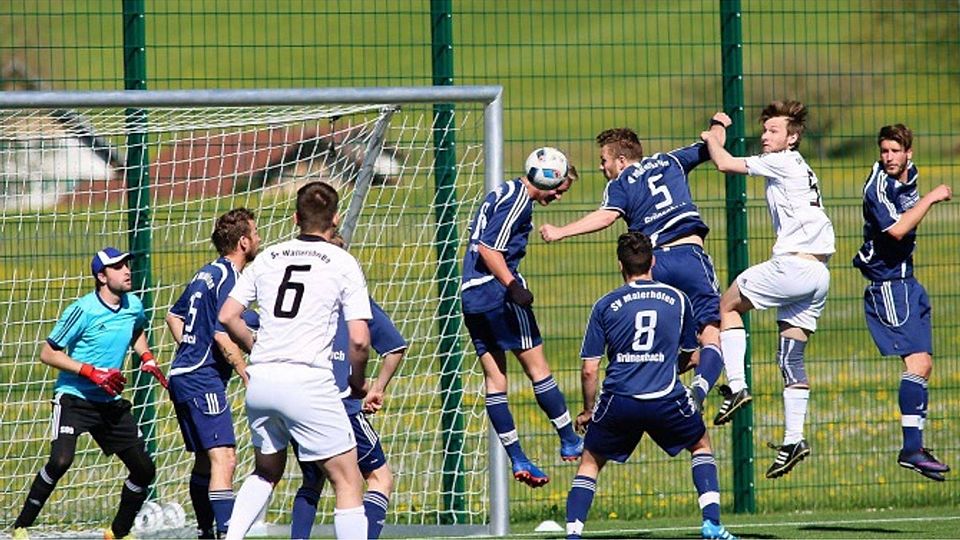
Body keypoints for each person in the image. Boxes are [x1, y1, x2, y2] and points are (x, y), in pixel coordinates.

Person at [539, 119, 730, 414]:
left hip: (654, 264)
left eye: (604, 161)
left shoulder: (621, 183)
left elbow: (605, 217)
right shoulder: (671, 160)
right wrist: (718, 124)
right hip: (690, 256)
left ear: (622, 160)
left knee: (663, 337)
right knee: (711, 333)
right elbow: (713, 143)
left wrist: (561, 231)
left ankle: (647, 384)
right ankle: (699, 390)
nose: (602, 168)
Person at [218, 181, 371, 540]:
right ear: (335, 219)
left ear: (295, 217)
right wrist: (358, 381)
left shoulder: (269, 257)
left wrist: (257, 346)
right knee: (347, 480)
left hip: (263, 381)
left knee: (266, 471)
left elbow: (227, 316)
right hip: (307, 381)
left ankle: (232, 536)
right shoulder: (342, 261)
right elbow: (361, 340)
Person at [565, 232, 736, 540]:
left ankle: (574, 533)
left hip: (619, 400)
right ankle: (711, 524)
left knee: (590, 462)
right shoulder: (678, 299)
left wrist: (588, 410)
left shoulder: (605, 305)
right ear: (653, 261)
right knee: (700, 446)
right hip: (665, 398)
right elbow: (690, 355)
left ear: (620, 265)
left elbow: (590, 370)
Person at [700, 101, 835, 479]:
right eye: (765, 130)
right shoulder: (800, 166)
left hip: (794, 264)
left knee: (727, 305)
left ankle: (738, 386)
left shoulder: (785, 160)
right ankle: (794, 440)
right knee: (791, 359)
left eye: (774, 131)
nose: (765, 136)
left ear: (792, 138)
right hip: (818, 273)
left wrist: (712, 135)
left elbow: (725, 163)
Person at [11, 247, 168, 540]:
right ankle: (21, 526)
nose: (126, 270)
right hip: (75, 397)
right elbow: (48, 353)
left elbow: (137, 331)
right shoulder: (82, 310)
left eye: (127, 265)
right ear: (101, 276)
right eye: (118, 266)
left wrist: (146, 356)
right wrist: (90, 372)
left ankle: (118, 532)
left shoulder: (134, 305)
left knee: (144, 470)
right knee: (61, 461)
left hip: (109, 402)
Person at [460, 151, 582, 488]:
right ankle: (570, 439)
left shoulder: (501, 193)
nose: (557, 195)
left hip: (470, 297)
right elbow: (489, 249)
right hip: (497, 294)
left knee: (496, 382)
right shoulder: (518, 200)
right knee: (538, 369)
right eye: (558, 188)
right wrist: (513, 286)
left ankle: (518, 457)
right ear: (545, 178)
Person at [289, 232, 407, 540]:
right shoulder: (355, 300)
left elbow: (245, 321)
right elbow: (394, 347)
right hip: (342, 405)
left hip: (300, 399)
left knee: (312, 479)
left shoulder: (301, 300)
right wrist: (377, 387)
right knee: (378, 478)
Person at [853, 124, 952, 481]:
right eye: (884, 151)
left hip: (908, 281)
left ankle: (915, 446)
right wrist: (931, 198)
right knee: (915, 362)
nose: (888, 158)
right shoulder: (877, 187)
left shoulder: (910, 175)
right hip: (889, 285)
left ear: (909, 152)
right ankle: (911, 448)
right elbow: (896, 230)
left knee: (923, 364)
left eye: (895, 151)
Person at [165, 208, 261, 538]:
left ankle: (206, 531)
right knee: (226, 459)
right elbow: (221, 333)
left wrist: (190, 346)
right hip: (201, 377)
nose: (260, 238)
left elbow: (173, 316)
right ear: (244, 242)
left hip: (182, 374)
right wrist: (244, 370)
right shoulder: (230, 279)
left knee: (207, 463)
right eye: (256, 233)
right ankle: (225, 533)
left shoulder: (205, 273)